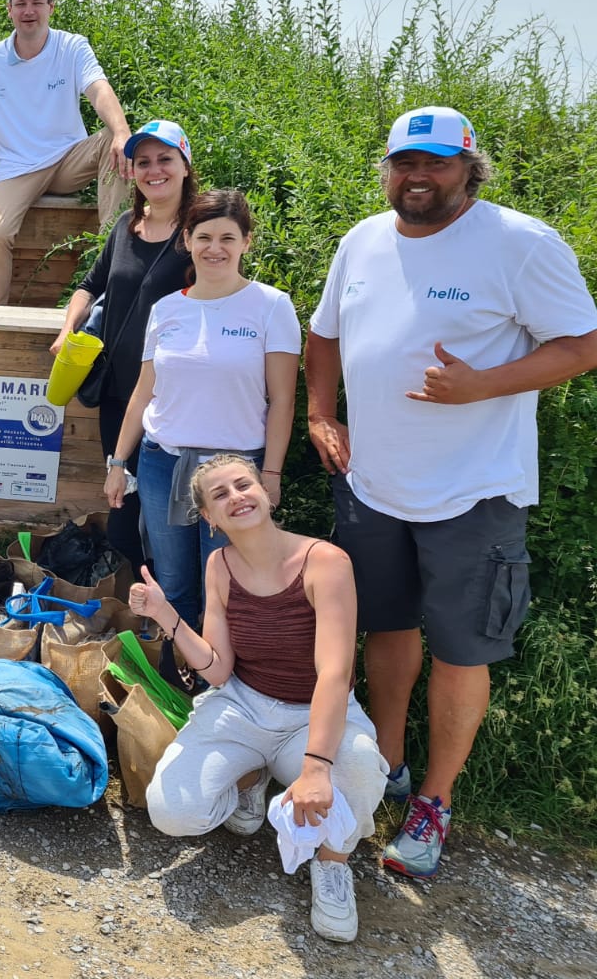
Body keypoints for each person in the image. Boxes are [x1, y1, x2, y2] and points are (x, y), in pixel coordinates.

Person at [305, 106, 597, 879]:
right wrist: (320, 412)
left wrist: (482, 387)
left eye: (437, 164)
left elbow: (584, 343)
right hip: (371, 484)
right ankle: (389, 764)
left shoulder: (519, 243)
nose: (419, 177)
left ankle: (434, 803)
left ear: (471, 169)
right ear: (388, 169)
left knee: (463, 651)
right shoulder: (362, 240)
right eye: (405, 163)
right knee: (388, 629)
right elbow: (324, 334)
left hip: (476, 492)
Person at [137, 454, 387, 943]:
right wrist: (168, 616)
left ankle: (333, 862)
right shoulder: (219, 564)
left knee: (355, 764)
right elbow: (217, 667)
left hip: (310, 713)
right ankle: (251, 776)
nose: (237, 497)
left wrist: (316, 767)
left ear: (267, 492)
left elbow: (335, 672)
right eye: (220, 495)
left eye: (243, 484)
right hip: (243, 705)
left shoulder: (325, 562)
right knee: (172, 813)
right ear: (208, 518)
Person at [104, 189, 299, 630]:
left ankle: (218, 683)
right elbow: (143, 392)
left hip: (234, 474)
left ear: (247, 242)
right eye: (204, 236)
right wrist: (118, 462)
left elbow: (283, 400)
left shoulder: (271, 307)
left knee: (226, 583)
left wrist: (271, 475)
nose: (215, 248)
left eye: (228, 238)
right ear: (187, 240)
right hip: (161, 464)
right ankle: (175, 677)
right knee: (171, 582)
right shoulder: (167, 309)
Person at [0, 0, 133, 305]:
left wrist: (123, 132)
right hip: (16, 168)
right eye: (21, 3)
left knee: (115, 142)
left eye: (37, 2)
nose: (29, 11)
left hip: (69, 160)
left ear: (51, 8)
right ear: (9, 10)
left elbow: (99, 90)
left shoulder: (71, 47)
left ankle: (111, 258)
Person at [51, 120, 196, 568]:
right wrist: (69, 330)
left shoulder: (198, 233)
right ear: (132, 171)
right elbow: (89, 285)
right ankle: (137, 604)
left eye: (165, 159)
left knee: (169, 514)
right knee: (124, 501)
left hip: (172, 398)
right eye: (144, 162)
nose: (155, 170)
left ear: (186, 166)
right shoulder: (126, 227)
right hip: (119, 393)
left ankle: (171, 610)